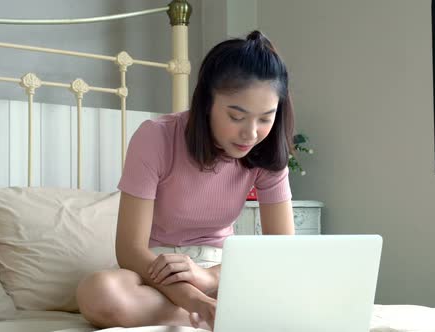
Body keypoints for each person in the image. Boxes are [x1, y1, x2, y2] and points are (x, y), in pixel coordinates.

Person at [76, 30, 295, 331]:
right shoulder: (156, 137)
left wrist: (209, 278)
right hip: (155, 270)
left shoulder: (267, 152)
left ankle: (220, 312)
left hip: (224, 270)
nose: (251, 133)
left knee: (304, 283)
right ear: (207, 103)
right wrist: (194, 301)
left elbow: (282, 250)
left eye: (265, 118)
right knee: (99, 292)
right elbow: (129, 250)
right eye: (236, 116)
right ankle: (220, 316)